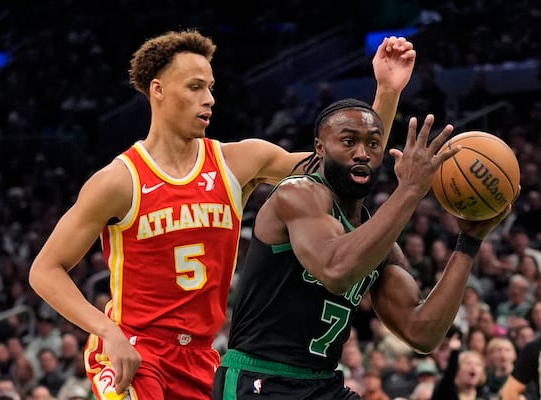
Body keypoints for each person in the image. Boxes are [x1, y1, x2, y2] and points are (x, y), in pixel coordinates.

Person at [28, 28, 417, 400]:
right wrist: (107, 331)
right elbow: (45, 269)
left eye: (211, 87)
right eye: (195, 87)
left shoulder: (238, 161)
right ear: (158, 90)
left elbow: (343, 166)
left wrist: (386, 91)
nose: (210, 99)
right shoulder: (119, 181)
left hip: (202, 355)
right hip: (134, 349)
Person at [212, 99, 513, 399]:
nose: (362, 153)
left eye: (373, 143)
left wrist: (469, 242)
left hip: (323, 384)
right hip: (261, 380)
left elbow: (422, 333)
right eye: (348, 141)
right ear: (319, 148)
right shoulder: (298, 193)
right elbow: (336, 270)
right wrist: (409, 189)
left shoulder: (379, 243)